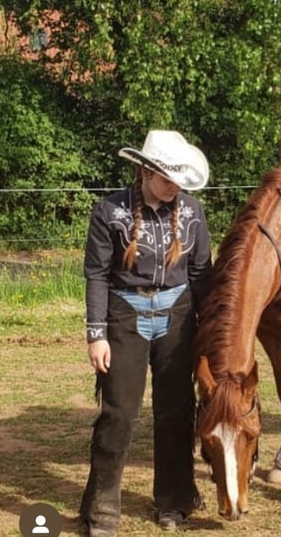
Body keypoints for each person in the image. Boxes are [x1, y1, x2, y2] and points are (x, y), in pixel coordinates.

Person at [79, 130, 213, 536]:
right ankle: (101, 511)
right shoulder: (109, 211)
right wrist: (96, 333)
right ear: (145, 171)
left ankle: (174, 500)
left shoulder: (192, 212)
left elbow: (202, 275)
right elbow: (97, 274)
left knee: (176, 412)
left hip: (179, 316)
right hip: (125, 316)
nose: (175, 188)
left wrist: (209, 333)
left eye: (179, 181)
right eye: (168, 179)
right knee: (118, 414)